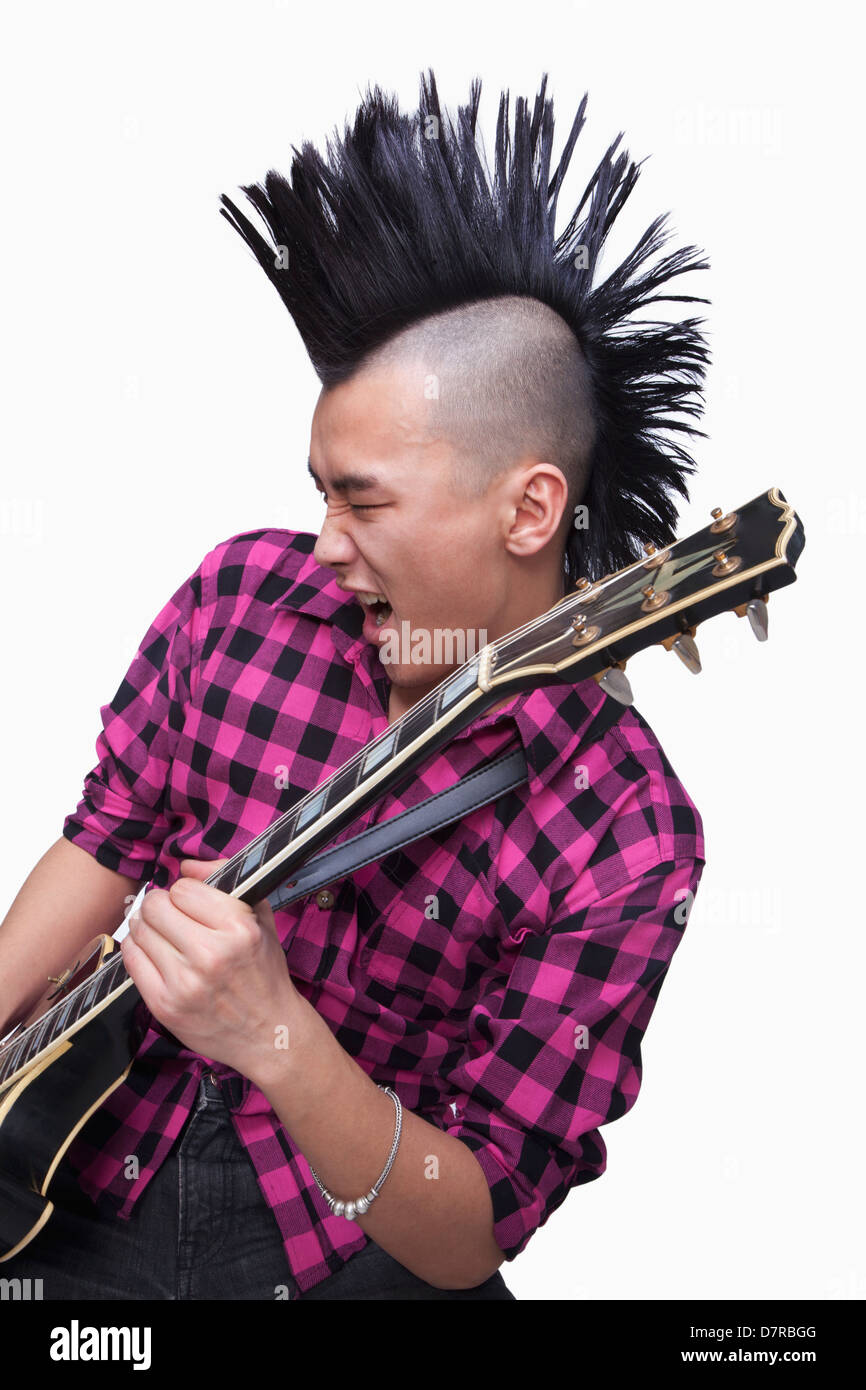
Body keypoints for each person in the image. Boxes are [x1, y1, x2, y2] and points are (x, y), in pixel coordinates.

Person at [0, 69, 707, 1300]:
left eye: (363, 497)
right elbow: (102, 843)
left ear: (529, 508)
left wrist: (272, 1033)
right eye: (319, 489)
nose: (321, 538)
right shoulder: (241, 598)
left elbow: (468, 1230)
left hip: (338, 1241)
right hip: (81, 1167)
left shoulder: (627, 831)